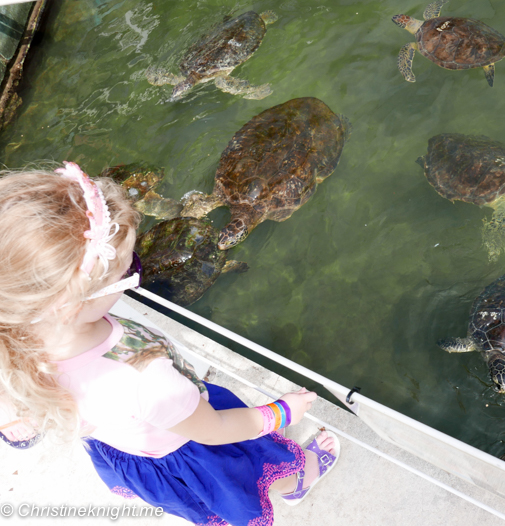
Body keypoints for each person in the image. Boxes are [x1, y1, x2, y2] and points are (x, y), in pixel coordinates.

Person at [0, 163, 339, 525]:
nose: (134, 272)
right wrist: (281, 412)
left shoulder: (14, 336)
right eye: (129, 271)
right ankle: (295, 481)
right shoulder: (144, 380)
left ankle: (265, 440)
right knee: (247, 460)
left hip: (129, 441)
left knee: (244, 439)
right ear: (70, 304)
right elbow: (215, 430)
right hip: (189, 440)